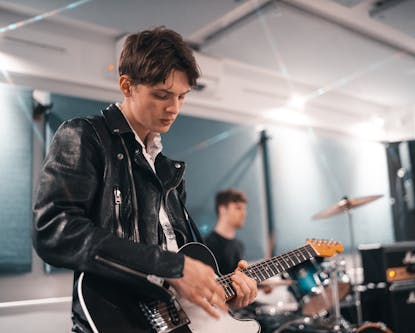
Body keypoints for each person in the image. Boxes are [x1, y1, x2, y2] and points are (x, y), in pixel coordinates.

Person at [33, 26, 257, 333]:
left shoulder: (168, 170)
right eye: (162, 95)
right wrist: (171, 266)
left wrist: (220, 291)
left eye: (181, 96)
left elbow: (187, 260)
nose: (174, 108)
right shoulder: (84, 135)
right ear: (126, 85)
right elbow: (54, 230)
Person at [204, 188, 247, 275]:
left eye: (244, 209)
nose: (243, 213)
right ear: (222, 209)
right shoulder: (207, 245)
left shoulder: (239, 245)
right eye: (238, 208)